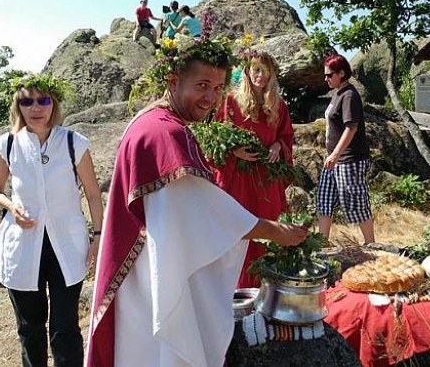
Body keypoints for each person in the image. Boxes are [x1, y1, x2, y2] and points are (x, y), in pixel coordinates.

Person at [85, 37, 308, 367]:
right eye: (202, 85)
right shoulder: (165, 134)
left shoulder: (153, 122)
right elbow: (199, 213)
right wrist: (273, 230)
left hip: (150, 272)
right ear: (173, 81)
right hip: (152, 282)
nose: (211, 98)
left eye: (218, 88)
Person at [0, 73, 104, 367]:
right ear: (18, 106)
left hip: (67, 245)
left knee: (65, 329)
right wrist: (11, 206)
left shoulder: (74, 142)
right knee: (30, 327)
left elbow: (92, 193)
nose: (35, 108)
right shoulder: (8, 144)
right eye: (27, 101)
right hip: (23, 246)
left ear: (54, 104)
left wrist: (98, 237)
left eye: (43, 100)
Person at [213, 51, 295, 288]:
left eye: (265, 71)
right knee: (238, 231)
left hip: (266, 181)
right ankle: (235, 289)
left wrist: (278, 146)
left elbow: (285, 135)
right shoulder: (231, 100)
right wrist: (235, 150)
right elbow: (219, 135)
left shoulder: (278, 105)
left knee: (267, 231)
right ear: (247, 72)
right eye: (256, 70)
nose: (260, 75)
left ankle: (266, 287)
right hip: (238, 178)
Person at [317, 54, 374, 244]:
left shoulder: (349, 95)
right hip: (333, 160)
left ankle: (371, 243)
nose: (326, 78)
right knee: (324, 200)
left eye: (329, 75)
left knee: (355, 201)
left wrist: (335, 154)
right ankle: (322, 243)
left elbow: (352, 127)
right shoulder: (337, 93)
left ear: (341, 73)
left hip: (349, 159)